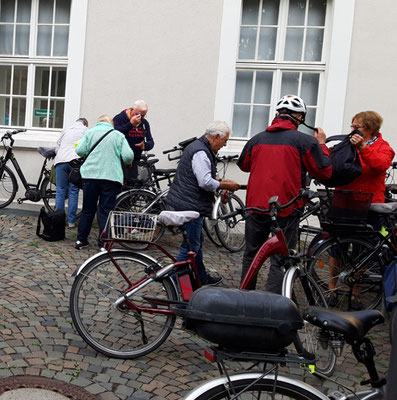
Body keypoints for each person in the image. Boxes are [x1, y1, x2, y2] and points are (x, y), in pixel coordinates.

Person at [238, 94, 332, 292]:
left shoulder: (257, 139)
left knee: (251, 254)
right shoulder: (305, 141)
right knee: (281, 257)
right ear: (299, 117)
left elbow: (244, 166)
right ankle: (273, 303)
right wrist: (322, 144)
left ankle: (244, 297)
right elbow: (323, 170)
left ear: (277, 115)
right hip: (286, 207)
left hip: (256, 205)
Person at [323, 111, 394, 309]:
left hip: (369, 204)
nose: (353, 130)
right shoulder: (346, 143)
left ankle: (355, 291)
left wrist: (363, 148)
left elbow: (381, 165)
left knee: (363, 251)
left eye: (357, 127)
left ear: (370, 129)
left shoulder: (384, 147)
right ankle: (332, 288)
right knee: (337, 248)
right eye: (352, 126)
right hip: (344, 201)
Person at [165, 121, 241, 286]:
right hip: (190, 205)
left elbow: (203, 176)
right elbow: (204, 181)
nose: (225, 144)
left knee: (196, 241)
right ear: (215, 137)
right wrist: (223, 184)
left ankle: (201, 277)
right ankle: (173, 282)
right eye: (225, 140)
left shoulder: (200, 147)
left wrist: (220, 183)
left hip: (187, 201)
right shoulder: (201, 152)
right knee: (190, 247)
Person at [75, 115, 134, 249]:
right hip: (111, 178)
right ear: (111, 124)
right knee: (106, 210)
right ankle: (104, 243)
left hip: (90, 176)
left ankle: (81, 240)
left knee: (88, 209)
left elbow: (79, 151)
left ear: (98, 123)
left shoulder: (89, 133)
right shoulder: (118, 135)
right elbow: (128, 156)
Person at [54, 117, 88, 227]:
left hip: (61, 161)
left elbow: (57, 147)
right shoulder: (86, 131)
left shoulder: (66, 129)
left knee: (60, 190)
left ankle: (58, 221)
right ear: (85, 124)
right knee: (74, 191)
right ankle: (71, 221)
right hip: (75, 163)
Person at [113, 100, 154, 180]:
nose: (139, 118)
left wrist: (145, 145)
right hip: (119, 163)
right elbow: (115, 135)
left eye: (143, 116)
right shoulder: (119, 119)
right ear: (131, 110)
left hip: (135, 162)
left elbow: (151, 141)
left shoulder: (144, 123)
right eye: (137, 114)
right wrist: (131, 124)